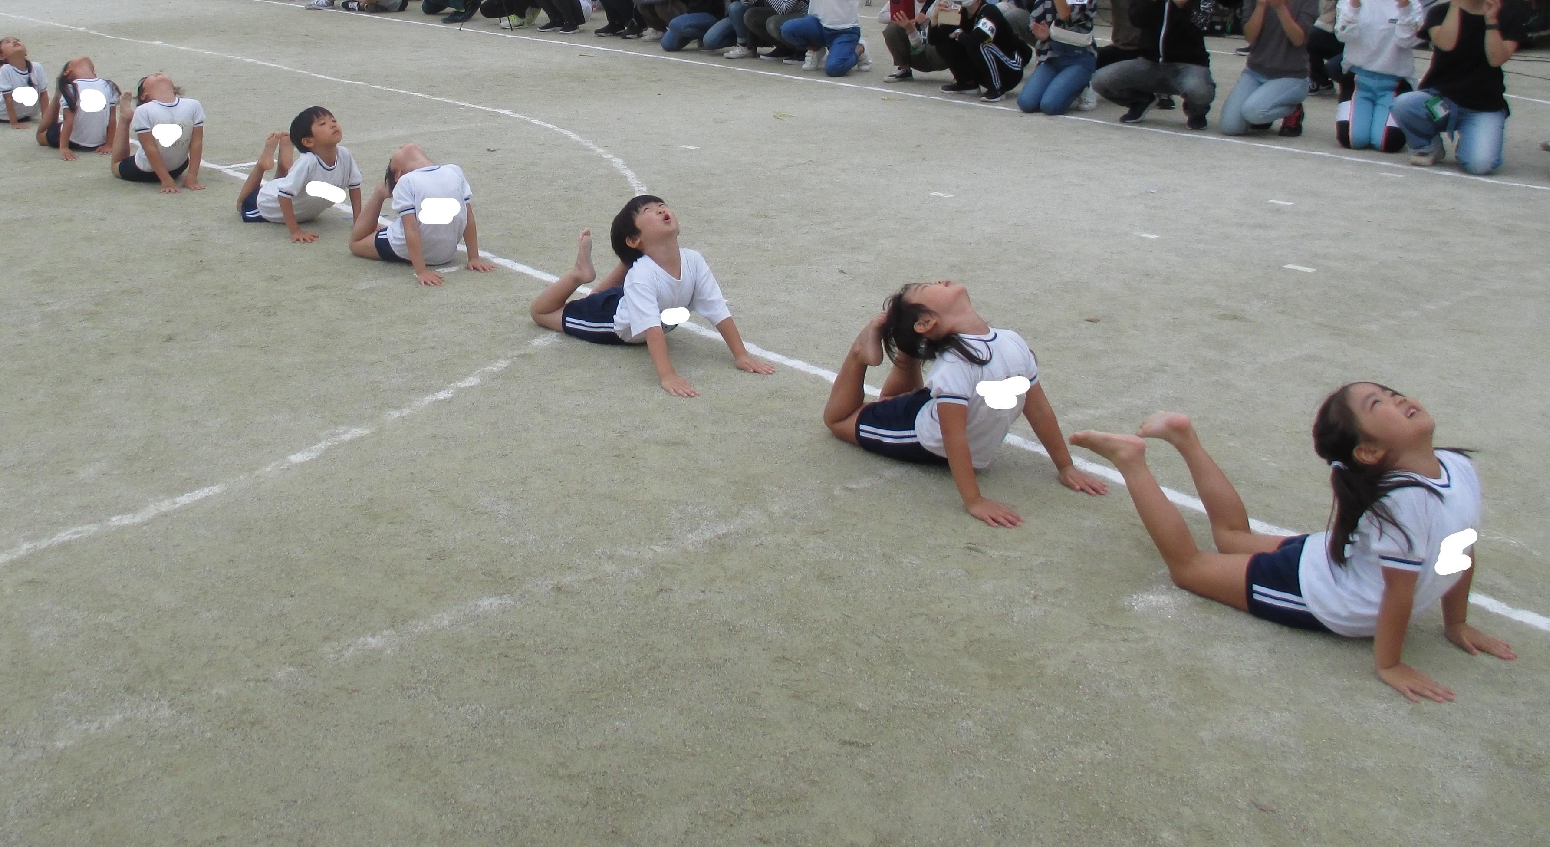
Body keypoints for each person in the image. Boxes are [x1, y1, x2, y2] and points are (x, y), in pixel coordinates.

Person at [1070, 388, 1512, 702]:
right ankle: (1132, 460)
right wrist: (1390, 664)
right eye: (1379, 403)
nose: (1398, 400)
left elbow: (1461, 549)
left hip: (1336, 559)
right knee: (1188, 568)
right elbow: (1398, 591)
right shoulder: (1415, 499)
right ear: (1369, 452)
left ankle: (1184, 438)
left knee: (1230, 540)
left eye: (1391, 395)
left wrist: (1457, 624)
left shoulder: (1455, 466)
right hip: (1325, 590)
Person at [822, 281, 1107, 526]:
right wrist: (974, 500)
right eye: (928, 287)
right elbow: (952, 436)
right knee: (838, 422)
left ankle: (909, 354)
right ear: (925, 323)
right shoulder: (955, 366)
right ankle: (860, 351)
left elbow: (1038, 408)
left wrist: (1066, 466)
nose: (940, 281)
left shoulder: (1012, 341)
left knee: (890, 404)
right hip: (922, 433)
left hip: (944, 404)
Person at [530, 198, 776, 398]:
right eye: (649, 210)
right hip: (613, 321)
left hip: (631, 297)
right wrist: (667, 375)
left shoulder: (694, 261)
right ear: (634, 240)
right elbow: (651, 329)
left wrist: (741, 355)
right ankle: (578, 274)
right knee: (541, 313)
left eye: (662, 206)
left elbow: (718, 310)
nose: (661, 210)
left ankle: (616, 269)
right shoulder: (642, 276)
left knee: (600, 297)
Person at [1392, 0, 1526, 173]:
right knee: (1404, 104)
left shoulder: (1508, 15)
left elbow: (1496, 58)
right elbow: (1446, 43)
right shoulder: (1440, 12)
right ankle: (1427, 145)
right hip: (1442, 98)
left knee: (1480, 164)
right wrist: (1456, 4)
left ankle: (1472, 138)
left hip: (1484, 106)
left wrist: (1491, 19)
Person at [1091, 0, 1218, 129]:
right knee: (1101, 80)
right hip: (1149, 62)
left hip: (1188, 64)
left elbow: (1203, 25)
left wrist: (1185, 5)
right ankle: (1141, 100)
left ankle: (1196, 111)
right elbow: (1137, 20)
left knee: (1199, 90)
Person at [348, 143, 496, 285]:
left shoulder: (453, 171)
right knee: (357, 245)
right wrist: (421, 271)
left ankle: (380, 193)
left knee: (357, 243)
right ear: (398, 174)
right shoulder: (450, 172)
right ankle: (380, 192)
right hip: (444, 254)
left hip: (421, 249)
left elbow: (468, 218)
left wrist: (474, 257)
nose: (401, 146)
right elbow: (411, 230)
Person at [1220, 0, 1318, 137]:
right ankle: (1266, 106)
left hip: (1291, 75)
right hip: (1256, 71)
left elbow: (1299, 38)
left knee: (1254, 112)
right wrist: (1262, 5)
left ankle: (1293, 108)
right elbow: (1249, 37)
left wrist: (1281, 7)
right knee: (1230, 126)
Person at [1335, 0, 1422, 152]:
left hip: (1394, 82)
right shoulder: (1348, 0)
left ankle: (1398, 118)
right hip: (1358, 80)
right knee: (1353, 140)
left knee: (1386, 143)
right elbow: (1343, 35)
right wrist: (1354, 5)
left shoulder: (1414, 4)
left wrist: (1403, 6)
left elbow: (1407, 41)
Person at [237, 107, 364, 244]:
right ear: (308, 142)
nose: (333, 124)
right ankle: (262, 165)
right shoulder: (308, 162)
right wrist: (295, 231)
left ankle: (285, 165)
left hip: (288, 193)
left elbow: (354, 187)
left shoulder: (345, 155)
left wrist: (358, 221)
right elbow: (283, 196)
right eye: (323, 124)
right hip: (266, 203)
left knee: (285, 182)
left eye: (333, 120)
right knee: (241, 204)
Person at [1015, 0, 1096, 115]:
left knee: (1050, 106)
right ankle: (1061, 83)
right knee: (1027, 103)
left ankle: (1082, 85)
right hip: (1051, 55)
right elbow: (1035, 17)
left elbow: (1067, 15)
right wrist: (1039, 32)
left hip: (1078, 56)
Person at [927, 0, 1027, 100]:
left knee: (980, 44)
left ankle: (997, 88)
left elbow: (977, 39)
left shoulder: (989, 11)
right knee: (946, 41)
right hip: (982, 67)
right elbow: (935, 40)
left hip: (1008, 68)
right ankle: (967, 82)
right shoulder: (957, 12)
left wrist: (958, 34)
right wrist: (935, 19)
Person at [111, 73, 205, 190]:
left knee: (117, 165)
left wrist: (192, 175)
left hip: (177, 168)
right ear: (144, 95)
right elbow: (150, 149)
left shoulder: (193, 105)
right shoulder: (144, 110)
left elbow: (196, 143)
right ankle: (125, 119)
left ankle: (125, 118)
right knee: (117, 165)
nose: (157, 74)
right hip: (146, 170)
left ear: (174, 90)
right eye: (149, 77)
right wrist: (166, 180)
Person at [878, 0, 948, 80]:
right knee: (892, 28)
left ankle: (959, 74)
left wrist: (911, 29)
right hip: (914, 54)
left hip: (933, 56)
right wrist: (910, 20)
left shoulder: (938, 3)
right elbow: (882, 16)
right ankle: (903, 68)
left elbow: (922, 45)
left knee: (936, 42)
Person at [38, 57, 121, 159]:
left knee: (40, 135)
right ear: (68, 72)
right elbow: (111, 119)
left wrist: (64, 147)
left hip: (75, 140)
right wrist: (108, 143)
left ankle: (57, 96)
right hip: (97, 140)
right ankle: (57, 96)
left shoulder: (71, 88)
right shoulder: (108, 85)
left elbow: (69, 121)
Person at [0, 38, 49, 127]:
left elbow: (43, 95)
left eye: (17, 40)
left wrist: (45, 119)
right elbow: (8, 99)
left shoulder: (37, 67)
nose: (15, 42)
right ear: (1, 56)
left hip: (25, 114)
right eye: (8, 42)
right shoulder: (6, 69)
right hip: (2, 115)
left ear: (25, 52)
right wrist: (14, 122)